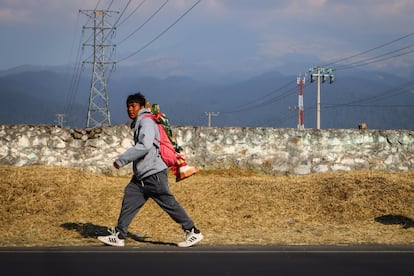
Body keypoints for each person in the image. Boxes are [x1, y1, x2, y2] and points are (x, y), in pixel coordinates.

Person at [97, 92, 204, 247]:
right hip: (142, 175)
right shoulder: (142, 121)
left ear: (141, 106)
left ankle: (193, 231)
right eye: (128, 106)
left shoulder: (146, 122)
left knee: (168, 203)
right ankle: (120, 235)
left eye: (133, 106)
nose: (130, 109)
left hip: (153, 174)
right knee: (130, 198)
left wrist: (122, 160)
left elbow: (145, 145)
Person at [150, 103, 199, 182]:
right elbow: (167, 129)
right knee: (174, 153)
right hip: (164, 140)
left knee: (174, 154)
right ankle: (182, 170)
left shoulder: (153, 119)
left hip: (161, 140)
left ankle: (181, 170)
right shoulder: (160, 117)